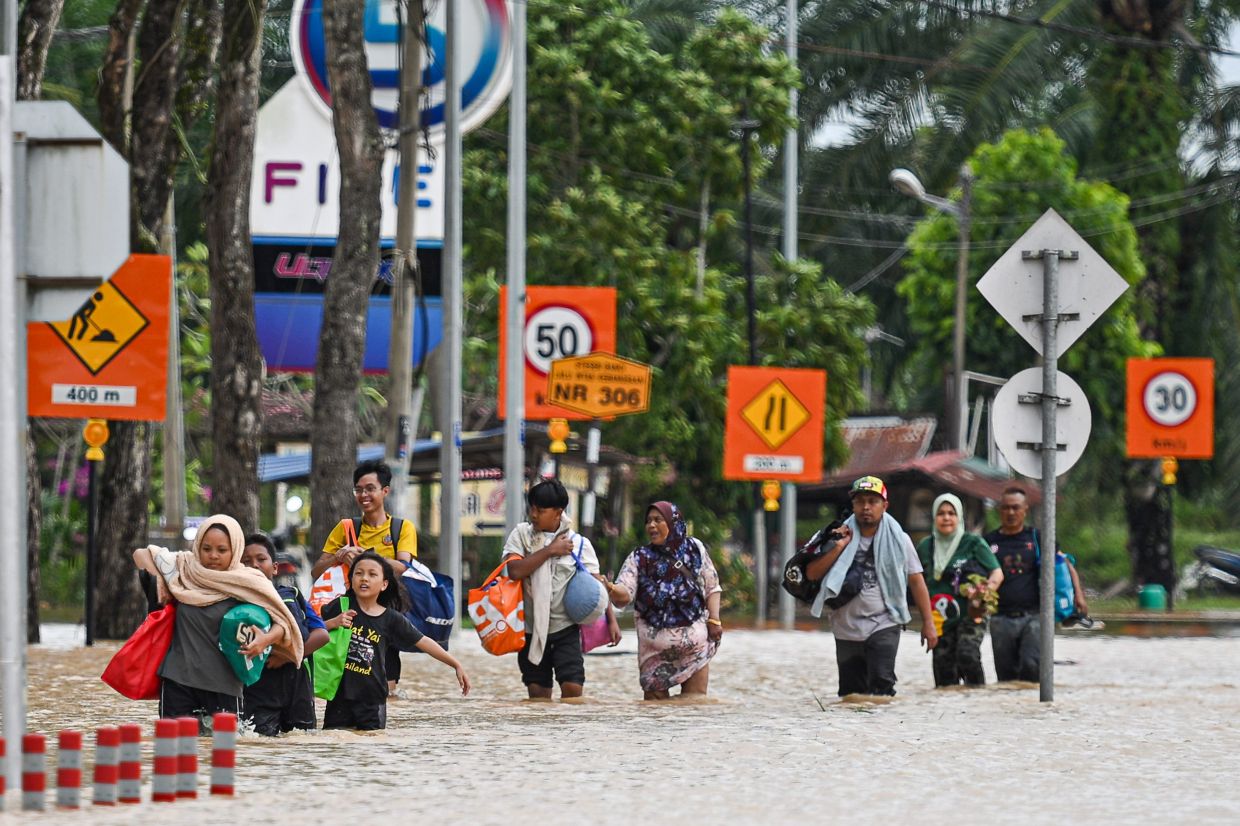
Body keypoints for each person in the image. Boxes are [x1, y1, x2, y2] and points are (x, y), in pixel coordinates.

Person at [131, 515, 303, 731]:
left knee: (226, 755)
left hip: (225, 687)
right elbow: (141, 555)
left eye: (222, 550)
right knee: (174, 752)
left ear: (235, 551)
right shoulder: (184, 568)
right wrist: (161, 584)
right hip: (178, 682)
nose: (213, 556)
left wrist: (264, 639)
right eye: (206, 548)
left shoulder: (249, 582)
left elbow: (284, 623)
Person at [807, 476, 938, 697]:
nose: (866, 507)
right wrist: (839, 547)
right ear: (853, 506)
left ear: (884, 506)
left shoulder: (900, 539)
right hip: (845, 626)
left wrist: (929, 623)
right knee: (851, 694)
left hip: (885, 622)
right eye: (860, 501)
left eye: (872, 501)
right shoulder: (834, 535)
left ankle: (884, 731)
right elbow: (811, 573)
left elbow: (916, 580)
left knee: (882, 685)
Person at [318, 552, 470, 730]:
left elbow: (424, 642)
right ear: (350, 579)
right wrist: (332, 623)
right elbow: (311, 631)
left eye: (372, 574)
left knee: (371, 743)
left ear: (384, 584)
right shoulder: (339, 606)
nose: (364, 578)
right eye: (358, 573)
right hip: (338, 697)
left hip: (372, 700)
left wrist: (456, 664)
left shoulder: (391, 619)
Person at [310, 459, 417, 696]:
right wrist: (339, 556)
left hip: (386, 611)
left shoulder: (402, 528)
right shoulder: (346, 527)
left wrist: (365, 557)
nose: (363, 495)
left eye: (370, 488)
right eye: (358, 489)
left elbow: (403, 567)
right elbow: (317, 571)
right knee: (347, 671)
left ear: (385, 491)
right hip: (349, 612)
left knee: (387, 679)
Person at [503, 479, 617, 700]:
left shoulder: (579, 544)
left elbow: (597, 586)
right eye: (532, 508)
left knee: (573, 691)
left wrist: (611, 620)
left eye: (540, 510)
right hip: (530, 629)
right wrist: (550, 551)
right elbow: (514, 571)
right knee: (538, 696)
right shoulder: (521, 536)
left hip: (566, 629)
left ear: (558, 512)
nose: (534, 514)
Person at [601, 501, 723, 700]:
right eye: (648, 521)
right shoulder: (639, 558)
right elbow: (625, 595)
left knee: (696, 706)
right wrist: (612, 588)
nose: (651, 525)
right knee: (655, 716)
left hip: (695, 649)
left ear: (673, 522)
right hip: (654, 656)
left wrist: (715, 620)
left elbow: (712, 586)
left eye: (658, 520)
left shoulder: (694, 549)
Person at [986, 486, 1090, 682]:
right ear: (1000, 509)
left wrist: (1078, 595)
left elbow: (1064, 563)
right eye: (1006, 508)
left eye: (1015, 508)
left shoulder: (1038, 538)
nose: (1010, 513)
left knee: (1032, 665)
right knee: (1006, 677)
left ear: (1025, 509)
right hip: (1000, 618)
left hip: (1035, 616)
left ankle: (1033, 710)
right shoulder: (989, 541)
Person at [240, 533, 330, 735]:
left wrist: (286, 656)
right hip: (257, 689)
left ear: (274, 567)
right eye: (246, 561)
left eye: (261, 559)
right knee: (261, 743)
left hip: (296, 685)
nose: (254, 565)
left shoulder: (292, 596)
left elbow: (322, 635)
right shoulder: (234, 603)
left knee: (303, 742)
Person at [915, 493, 1002, 687]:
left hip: (971, 613)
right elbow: (915, 580)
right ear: (934, 517)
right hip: (939, 618)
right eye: (941, 513)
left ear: (959, 517)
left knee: (967, 654)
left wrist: (983, 592)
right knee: (944, 672)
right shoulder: (925, 546)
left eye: (951, 513)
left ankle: (978, 697)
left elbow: (997, 572)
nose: (946, 518)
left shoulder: (973, 543)